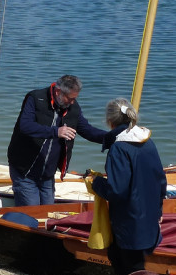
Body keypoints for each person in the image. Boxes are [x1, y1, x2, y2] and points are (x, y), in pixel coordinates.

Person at [90, 98, 167, 275]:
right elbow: (160, 180)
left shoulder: (119, 148)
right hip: (148, 211)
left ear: (109, 121)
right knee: (131, 259)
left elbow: (117, 190)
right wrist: (159, 210)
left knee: (126, 261)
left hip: (130, 216)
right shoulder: (147, 141)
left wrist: (95, 182)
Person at [6, 75, 109, 206]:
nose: (72, 102)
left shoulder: (73, 108)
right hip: (25, 171)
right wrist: (56, 131)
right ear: (58, 91)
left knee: (48, 214)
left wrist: (113, 138)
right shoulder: (35, 98)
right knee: (32, 215)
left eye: (75, 99)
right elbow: (25, 126)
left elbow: (88, 131)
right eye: (70, 98)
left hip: (47, 175)